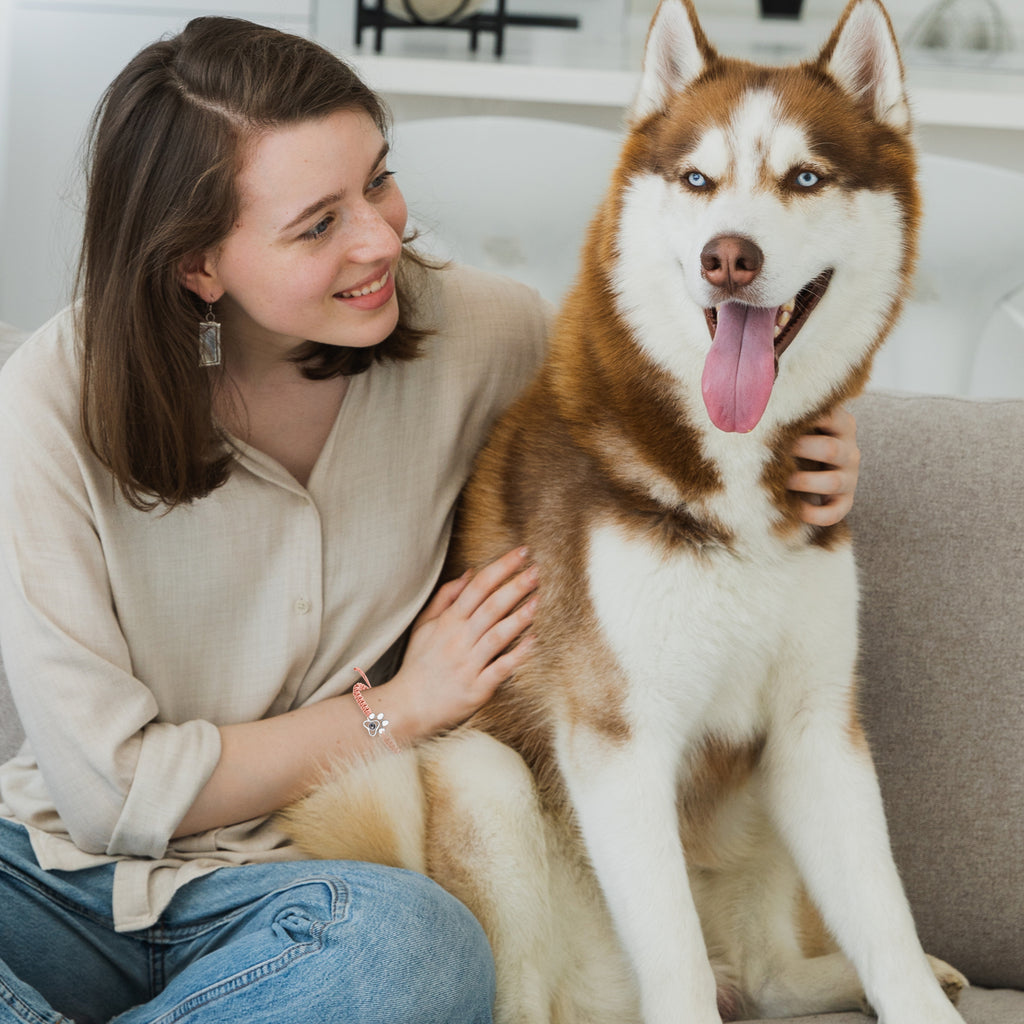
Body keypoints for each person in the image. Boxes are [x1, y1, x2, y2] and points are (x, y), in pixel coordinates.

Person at [0, 17, 861, 1024]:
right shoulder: (49, 403)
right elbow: (113, 791)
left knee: (419, 950)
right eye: (317, 224)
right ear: (199, 266)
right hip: (49, 875)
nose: (380, 236)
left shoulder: (488, 333)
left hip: (309, 894)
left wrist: (810, 452)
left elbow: (675, 425)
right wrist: (399, 706)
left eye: (378, 179)